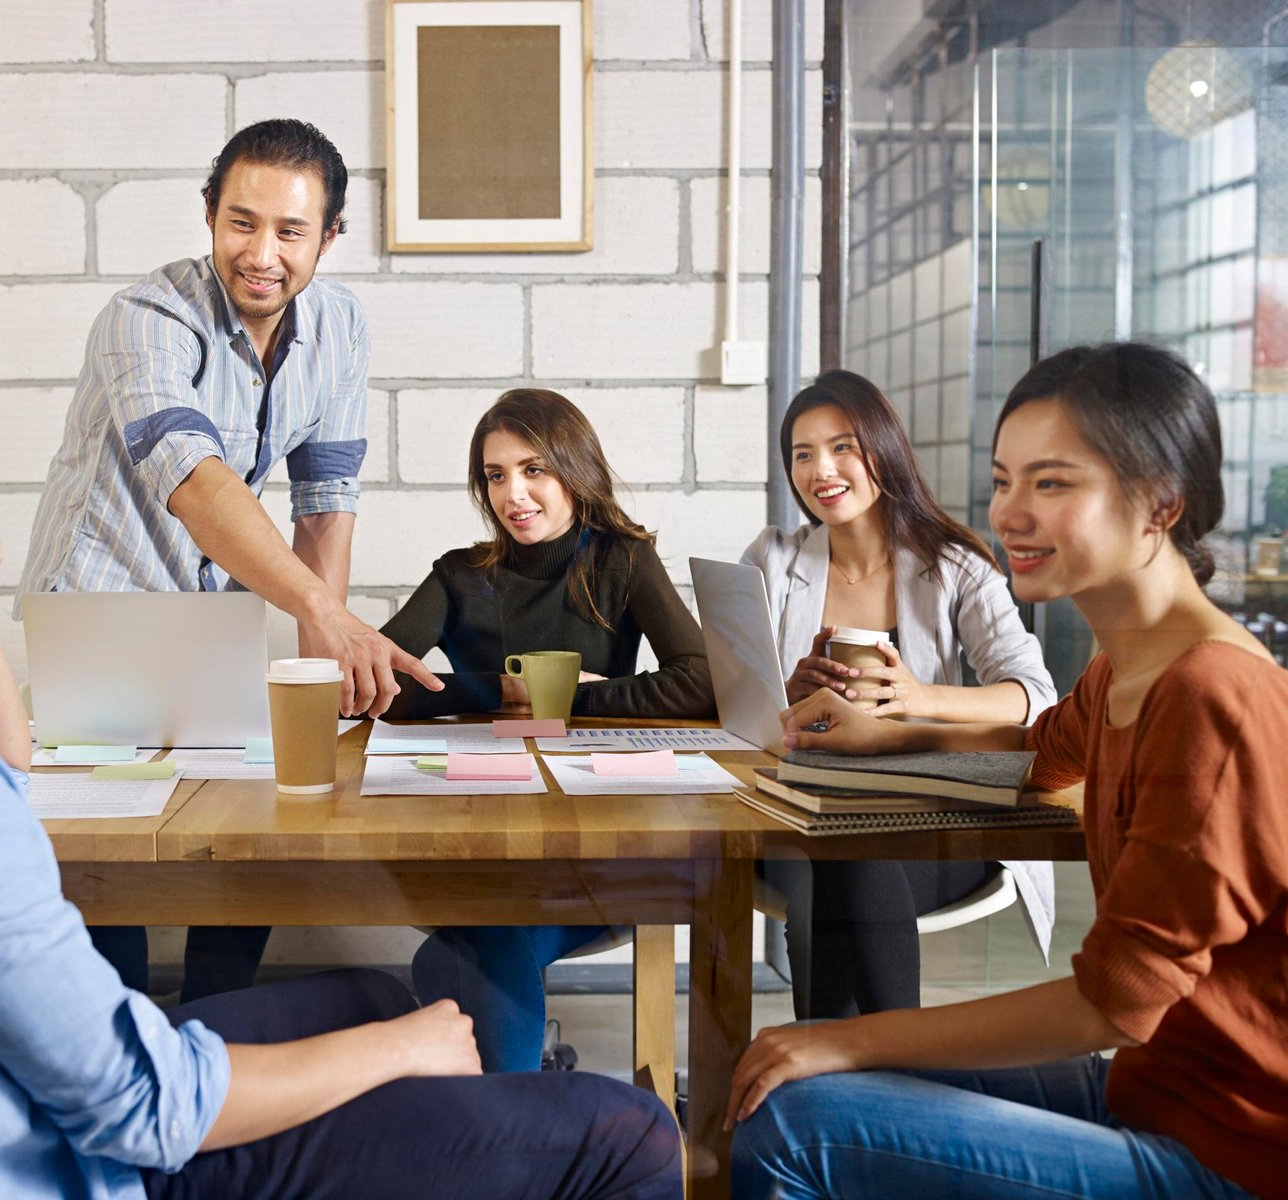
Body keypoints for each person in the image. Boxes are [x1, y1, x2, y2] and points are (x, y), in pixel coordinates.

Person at [0, 339, 682, 1200]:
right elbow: (146, 1108)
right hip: (97, 1158)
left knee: (401, 998)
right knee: (624, 1129)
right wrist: (396, 1056)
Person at [729, 342, 1286, 1199]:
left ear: (1161, 503)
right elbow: (1037, 753)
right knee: (805, 1088)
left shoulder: (1213, 693)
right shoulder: (1122, 668)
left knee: (796, 1125)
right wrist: (877, 738)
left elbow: (1111, 1004)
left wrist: (852, 1038)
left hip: (1229, 1153)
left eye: (1053, 483)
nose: (1012, 513)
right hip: (1151, 1090)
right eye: (1004, 480)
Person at [17, 117, 441, 999]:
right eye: (241, 222)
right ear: (209, 215)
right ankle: (123, 1050)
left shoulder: (340, 327)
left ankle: (214, 1032)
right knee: (111, 856)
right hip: (101, 605)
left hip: (211, 615)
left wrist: (326, 669)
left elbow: (325, 503)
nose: (262, 253)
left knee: (255, 815)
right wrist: (322, 615)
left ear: (329, 237)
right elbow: (199, 488)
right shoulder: (144, 320)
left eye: (290, 231)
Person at [381, 389, 715, 1071]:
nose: (515, 494)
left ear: (573, 469)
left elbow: (702, 681)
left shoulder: (623, 560)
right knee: (478, 932)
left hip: (594, 843)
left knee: (471, 944)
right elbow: (382, 687)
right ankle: (527, 1114)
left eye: (534, 470)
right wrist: (499, 695)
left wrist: (574, 702)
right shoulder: (459, 575)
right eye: (496, 476)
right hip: (483, 834)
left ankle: (517, 1118)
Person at [741, 370, 1057, 1020]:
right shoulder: (773, 562)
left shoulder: (955, 563)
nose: (820, 469)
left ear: (882, 448)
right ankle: (875, 1083)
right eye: (802, 454)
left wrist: (920, 696)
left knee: (848, 860)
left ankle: (853, 1072)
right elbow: (734, 711)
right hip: (800, 815)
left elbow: (1035, 697)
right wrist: (783, 693)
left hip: (933, 817)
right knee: (836, 854)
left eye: (842, 447)